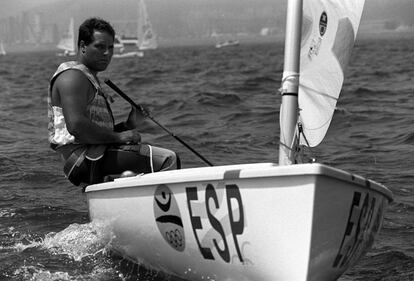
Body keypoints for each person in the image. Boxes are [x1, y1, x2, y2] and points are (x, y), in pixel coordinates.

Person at [48, 17, 180, 186]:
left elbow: (97, 133)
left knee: (141, 165)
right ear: (82, 46)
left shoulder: (87, 78)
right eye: (100, 46)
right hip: (82, 160)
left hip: (95, 153)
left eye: (111, 47)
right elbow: (77, 127)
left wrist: (129, 124)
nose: (107, 53)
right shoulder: (73, 77)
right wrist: (119, 137)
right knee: (167, 159)